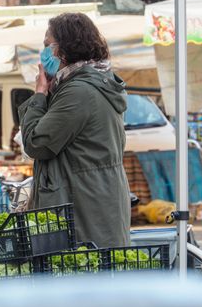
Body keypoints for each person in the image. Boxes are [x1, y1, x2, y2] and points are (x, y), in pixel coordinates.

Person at [18, 13, 131, 248]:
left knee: (84, 275)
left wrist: (39, 93)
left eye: (47, 44)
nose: (44, 52)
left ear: (64, 49)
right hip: (90, 198)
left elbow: (36, 143)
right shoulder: (86, 84)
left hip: (83, 205)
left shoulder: (78, 92)